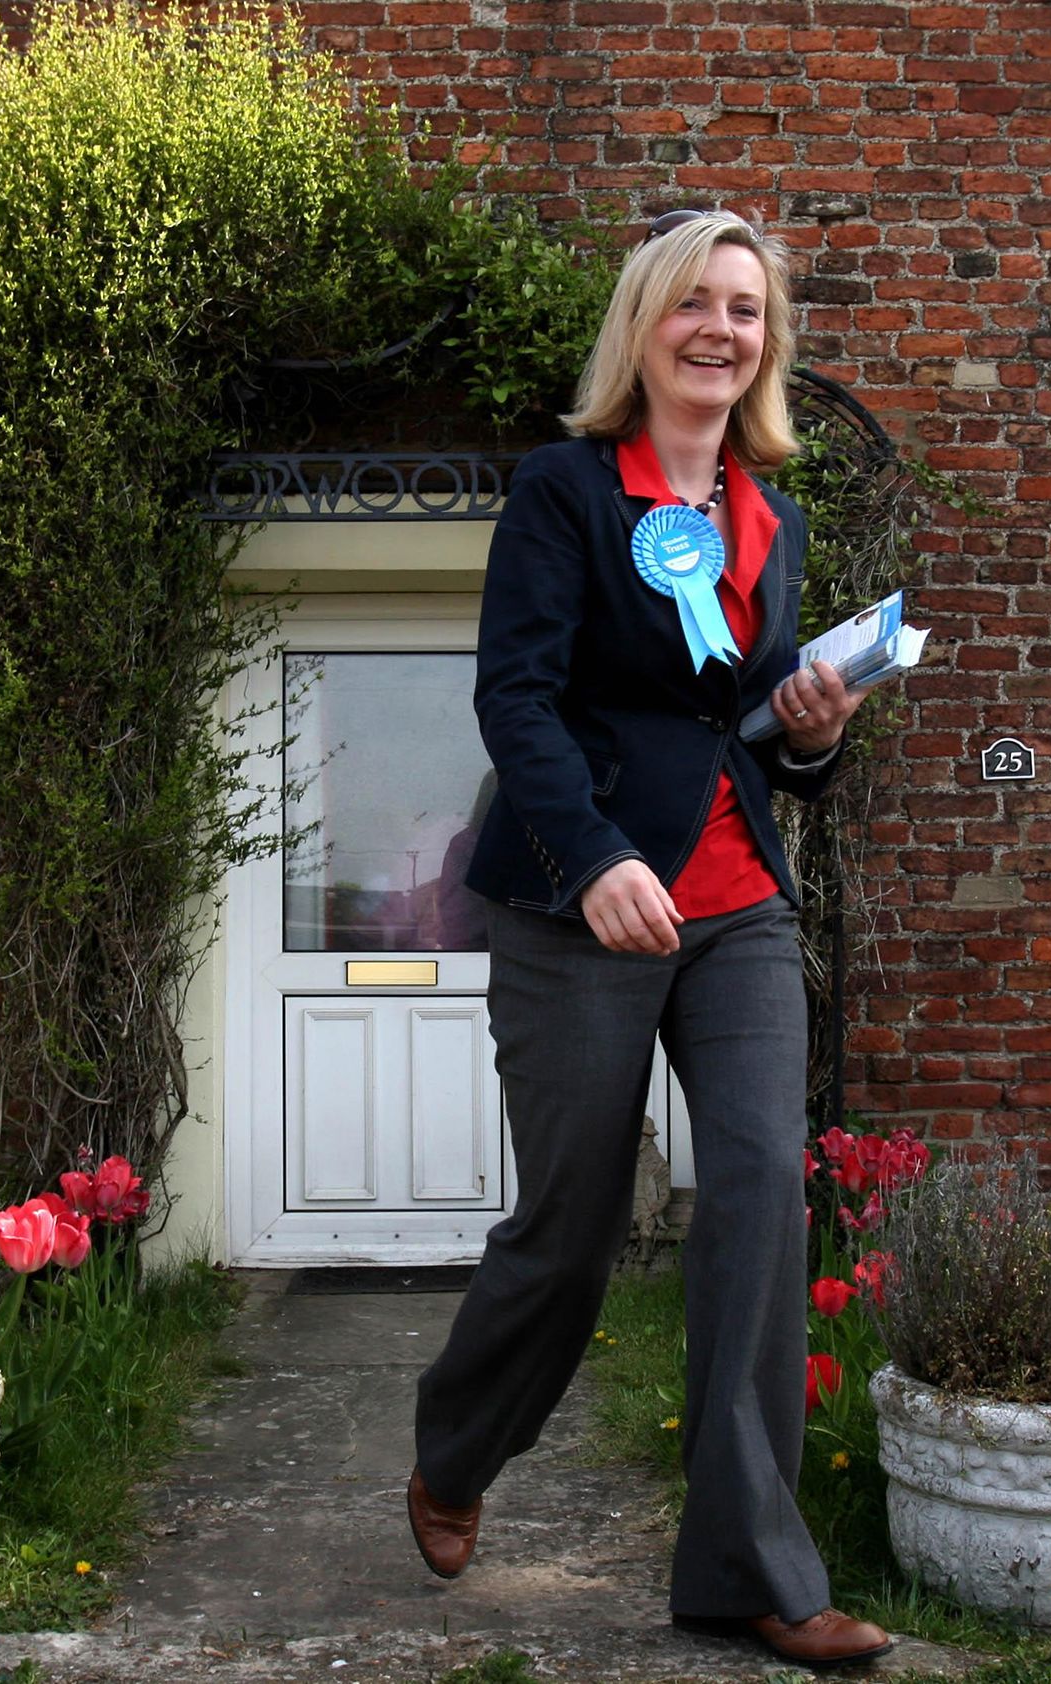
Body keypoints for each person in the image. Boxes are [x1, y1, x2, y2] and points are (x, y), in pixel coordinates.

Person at [405, 207, 891, 1670]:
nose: (720, 332)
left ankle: (751, 1572)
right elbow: (519, 700)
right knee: (572, 1225)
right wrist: (596, 853)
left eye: (745, 311)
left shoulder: (772, 515)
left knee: (758, 1194)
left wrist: (812, 735)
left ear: (766, 344)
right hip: (580, 902)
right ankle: (455, 1450)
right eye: (694, 304)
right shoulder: (565, 492)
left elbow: (740, 727)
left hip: (736, 904)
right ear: (644, 325)